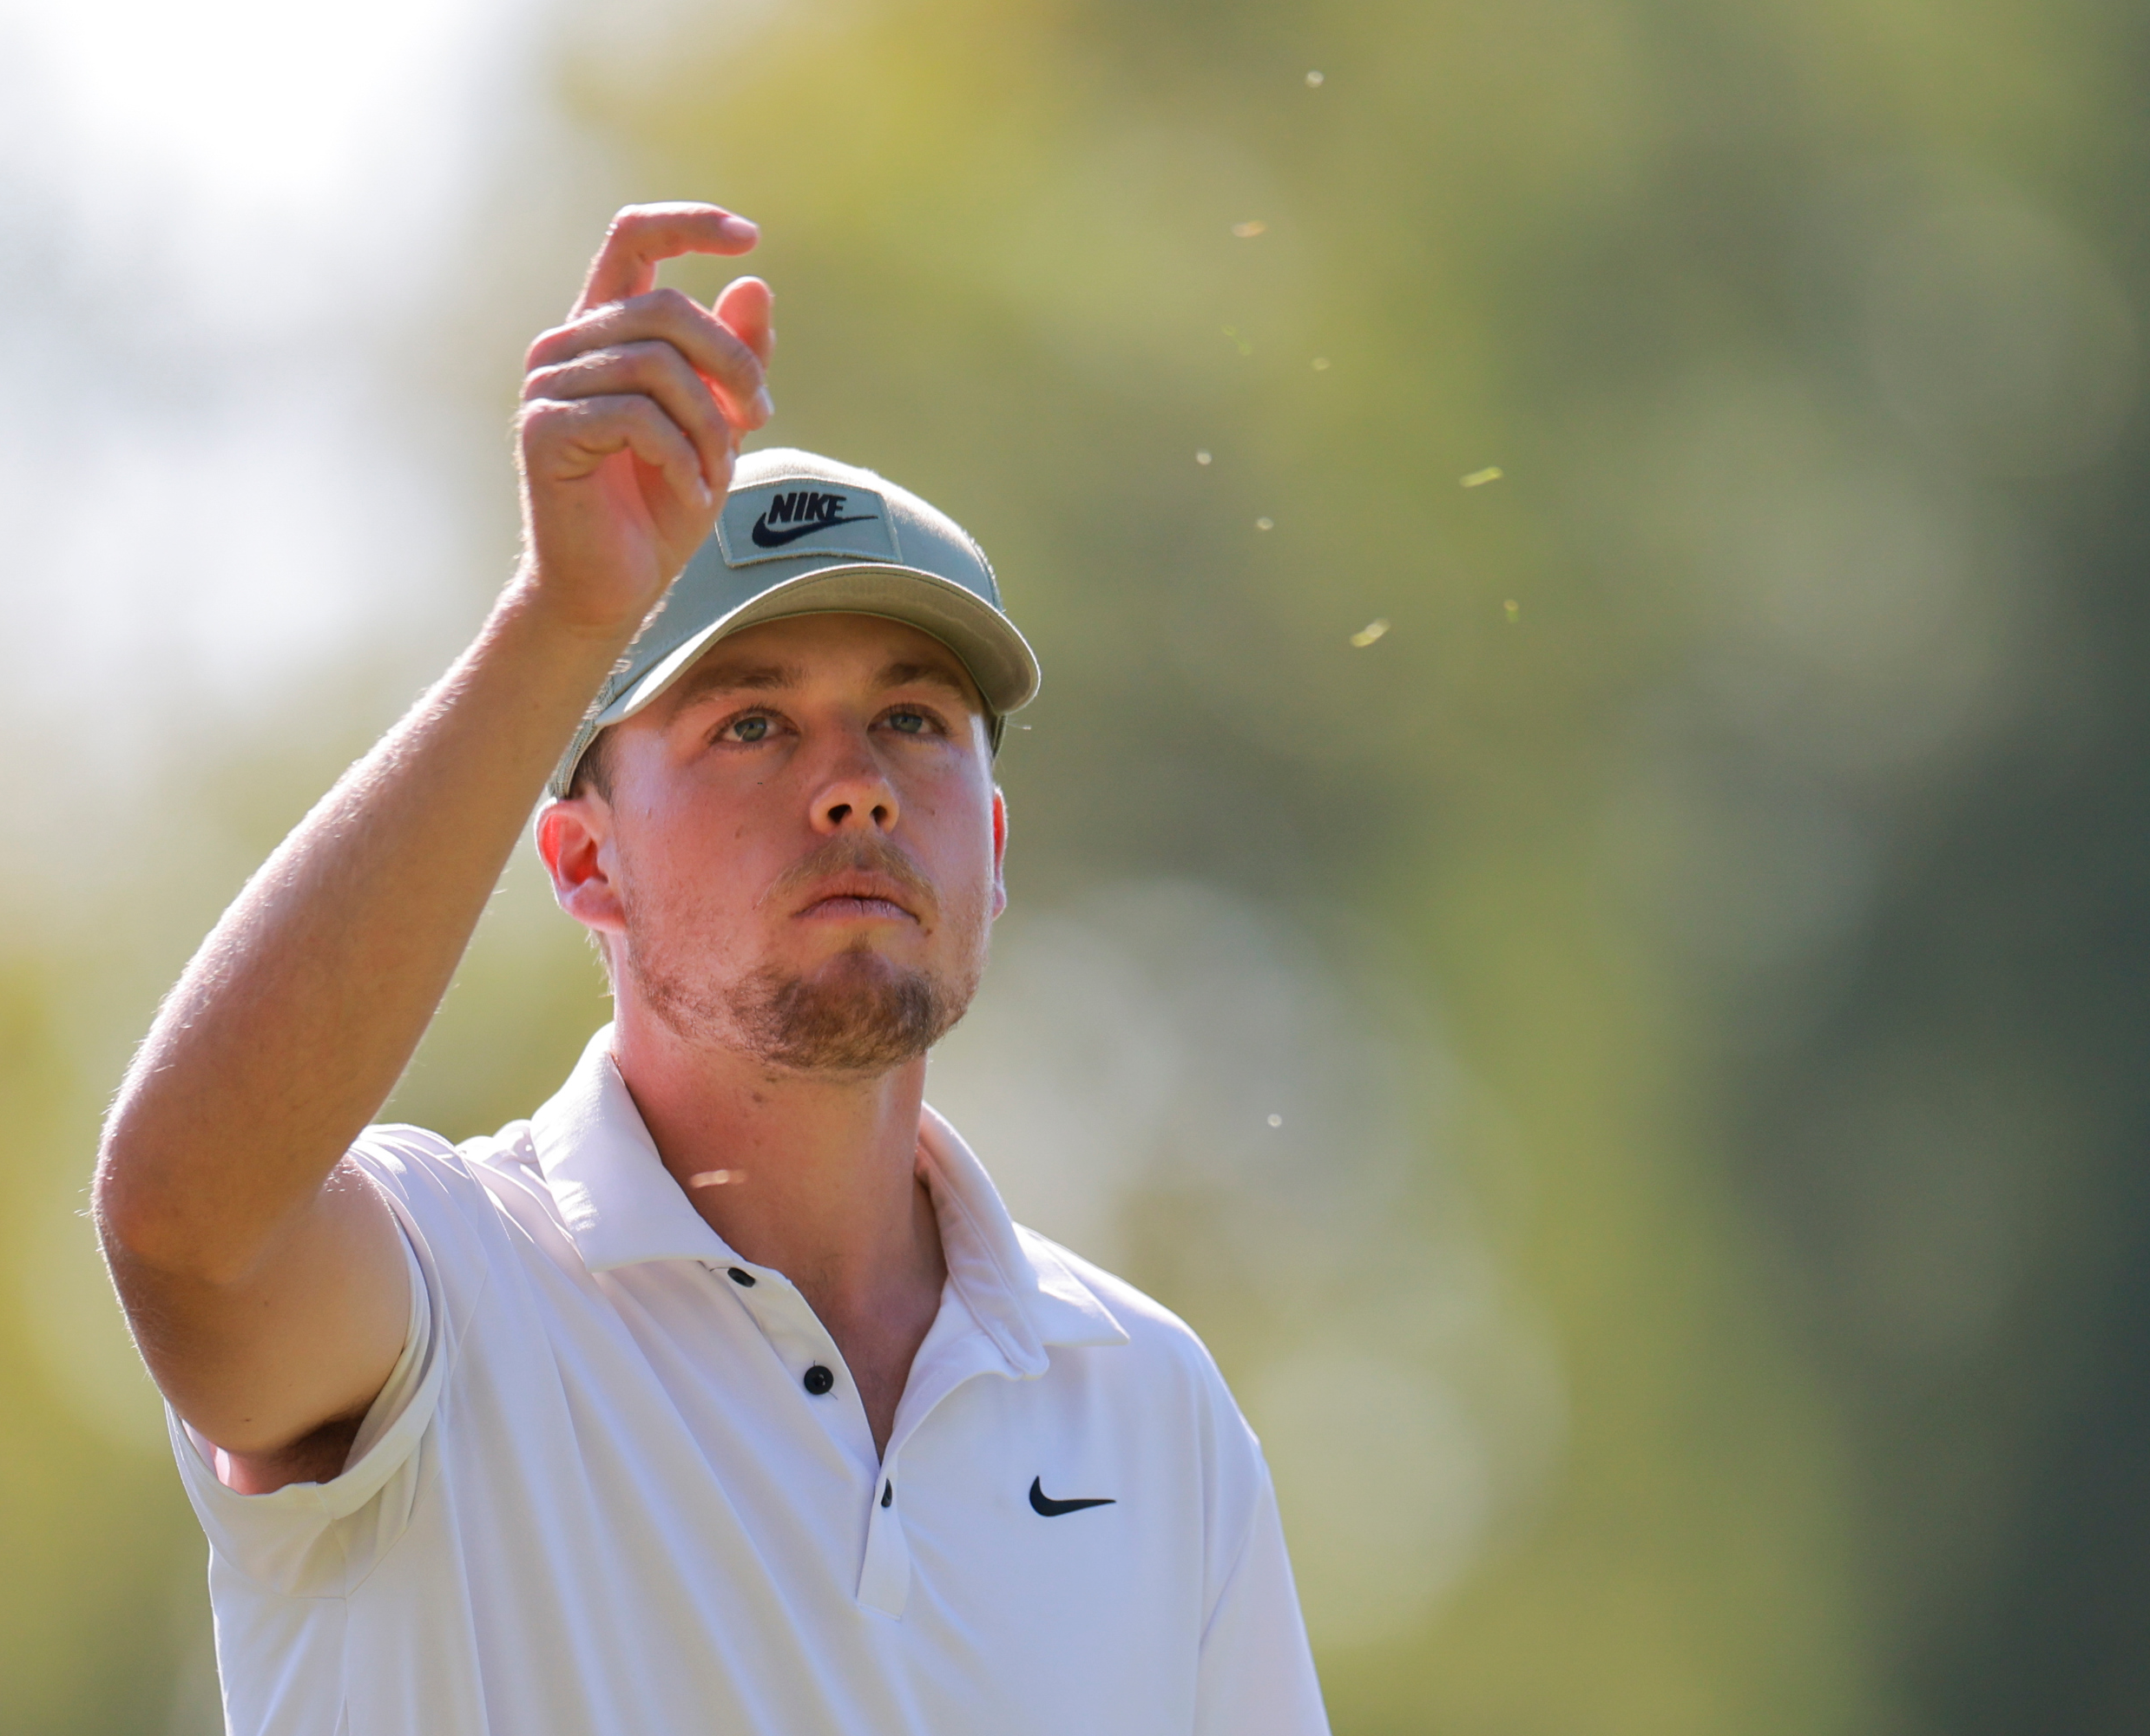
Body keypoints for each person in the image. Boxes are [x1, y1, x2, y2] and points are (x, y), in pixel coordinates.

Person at [93, 201, 1331, 1735]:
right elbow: (183, 1230)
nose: (856, 784)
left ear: (993, 845)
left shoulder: (1152, 1411)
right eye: (752, 723)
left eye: (915, 720)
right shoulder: (448, 1295)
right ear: (583, 863)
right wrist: (564, 618)